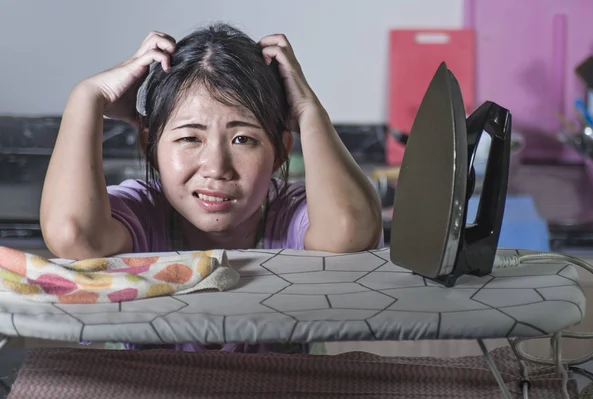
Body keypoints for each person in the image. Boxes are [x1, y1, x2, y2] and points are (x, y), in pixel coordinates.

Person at [40, 23, 383, 353]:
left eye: (243, 139)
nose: (217, 168)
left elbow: (348, 231)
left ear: (279, 149)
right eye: (190, 138)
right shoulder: (143, 214)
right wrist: (87, 97)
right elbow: (74, 234)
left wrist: (310, 110)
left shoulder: (290, 215)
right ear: (149, 145)